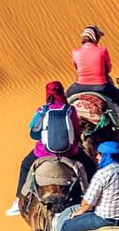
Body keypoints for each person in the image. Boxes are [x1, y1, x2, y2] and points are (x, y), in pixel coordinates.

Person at [9, 82, 95, 216]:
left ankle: (18, 200)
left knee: (25, 165)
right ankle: (94, 198)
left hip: (42, 153)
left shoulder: (42, 110)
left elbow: (34, 133)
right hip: (70, 153)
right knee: (90, 165)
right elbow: (77, 132)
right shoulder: (70, 109)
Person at [65, 25, 119, 140]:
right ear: (95, 38)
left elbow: (76, 67)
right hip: (101, 86)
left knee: (62, 103)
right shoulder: (102, 51)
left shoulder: (75, 52)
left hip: (79, 86)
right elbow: (108, 68)